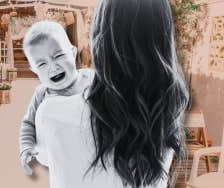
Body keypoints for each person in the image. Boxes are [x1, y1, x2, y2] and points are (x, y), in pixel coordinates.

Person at [21, 0, 190, 187]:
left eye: (59, 56)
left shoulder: (52, 112)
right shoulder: (164, 112)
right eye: (42, 63)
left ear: (98, 39)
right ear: (164, 40)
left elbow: (44, 156)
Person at [19, 21, 94, 175]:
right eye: (41, 64)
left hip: (92, 153)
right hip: (59, 159)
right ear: (34, 70)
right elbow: (28, 124)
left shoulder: (91, 80)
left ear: (73, 52)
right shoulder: (41, 94)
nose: (53, 67)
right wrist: (27, 148)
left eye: (58, 55)